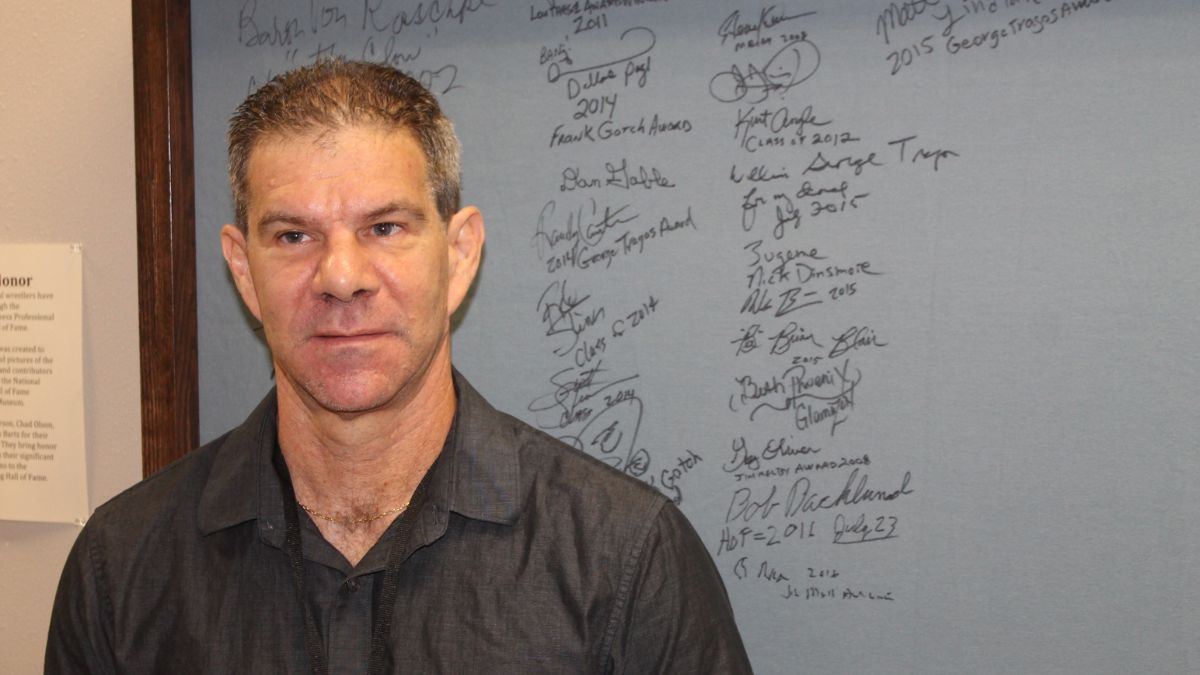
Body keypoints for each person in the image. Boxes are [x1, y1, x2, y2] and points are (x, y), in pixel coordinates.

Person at [45, 59, 752, 674]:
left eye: (385, 227)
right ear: (243, 269)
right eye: (293, 235)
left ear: (460, 253)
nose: (341, 277)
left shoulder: (624, 560)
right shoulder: (123, 567)